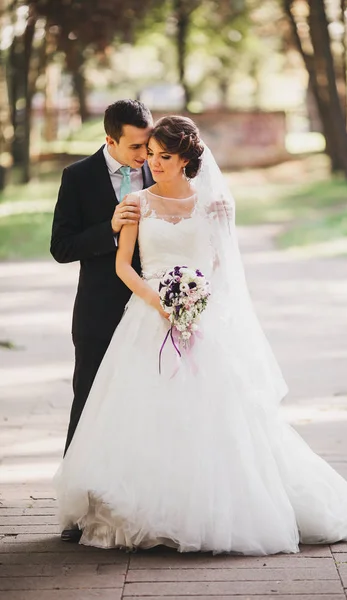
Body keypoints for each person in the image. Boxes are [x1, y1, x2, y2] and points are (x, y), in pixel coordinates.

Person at [54, 115, 347, 555]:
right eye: (150, 154)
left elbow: (221, 270)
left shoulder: (213, 205)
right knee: (137, 410)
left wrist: (192, 299)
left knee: (212, 413)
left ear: (187, 158)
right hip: (145, 316)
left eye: (164, 156)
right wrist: (159, 300)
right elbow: (123, 267)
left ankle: (207, 506)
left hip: (198, 319)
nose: (153, 162)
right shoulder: (137, 201)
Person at [50, 99, 154, 542]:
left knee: (149, 403)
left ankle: (141, 501)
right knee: (89, 401)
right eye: (134, 145)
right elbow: (61, 246)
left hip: (151, 311)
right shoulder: (77, 177)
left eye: (147, 144)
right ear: (110, 139)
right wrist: (109, 229)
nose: (144, 154)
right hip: (98, 310)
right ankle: (78, 510)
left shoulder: (161, 167)